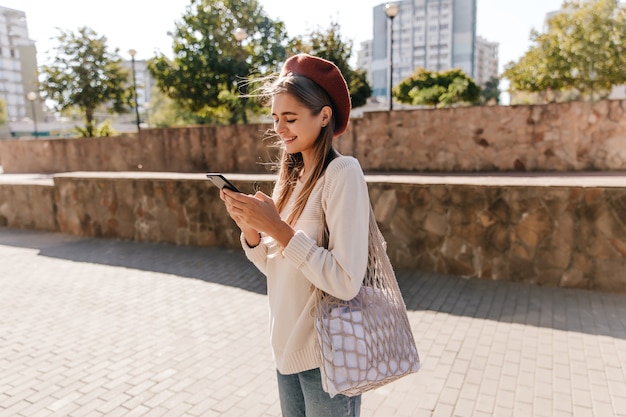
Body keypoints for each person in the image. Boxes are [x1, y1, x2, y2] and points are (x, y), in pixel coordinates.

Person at [220, 53, 370, 417]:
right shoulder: (290, 178)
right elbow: (279, 270)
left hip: (326, 356)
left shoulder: (342, 173)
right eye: (275, 119)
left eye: (290, 118)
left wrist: (280, 230)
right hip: (285, 349)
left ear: (323, 115)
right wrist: (253, 233)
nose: (280, 128)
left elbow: (346, 281)